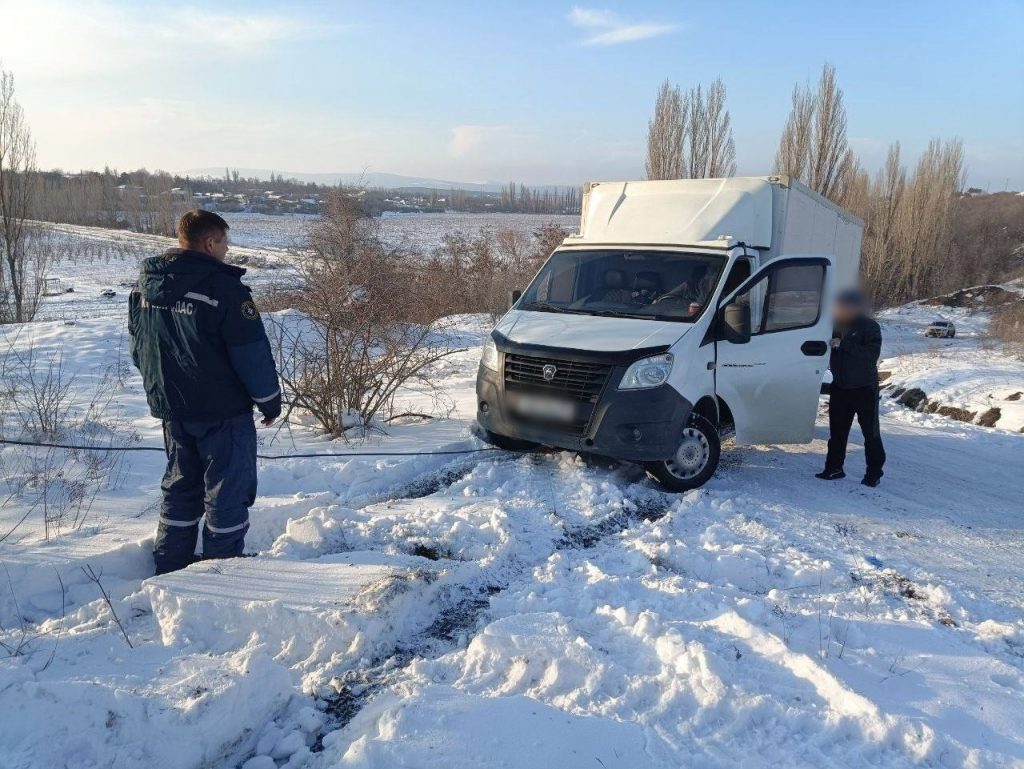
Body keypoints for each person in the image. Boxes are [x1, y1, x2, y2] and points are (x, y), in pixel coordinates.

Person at [129, 210, 282, 574]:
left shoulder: (145, 287)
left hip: (172, 409)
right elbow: (250, 353)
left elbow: (139, 348)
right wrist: (268, 400)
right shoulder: (224, 290)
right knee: (227, 493)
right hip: (222, 412)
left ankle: (170, 565)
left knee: (181, 488)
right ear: (210, 243)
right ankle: (220, 573)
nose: (227, 250)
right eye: (225, 243)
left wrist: (164, 390)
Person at [816, 289, 886, 486]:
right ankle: (834, 468)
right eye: (838, 307)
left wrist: (843, 345)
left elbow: (870, 355)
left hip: (864, 388)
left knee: (870, 434)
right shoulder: (833, 325)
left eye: (844, 307)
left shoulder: (869, 327)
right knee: (837, 432)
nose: (840, 310)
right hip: (840, 387)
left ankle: (874, 473)